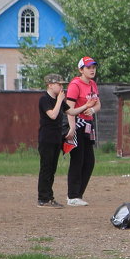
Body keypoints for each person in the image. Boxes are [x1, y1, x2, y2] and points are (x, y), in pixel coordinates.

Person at [64, 56, 100, 206]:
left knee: (89, 161)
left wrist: (92, 109)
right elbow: (69, 109)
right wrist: (71, 128)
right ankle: (72, 196)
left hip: (88, 125)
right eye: (88, 67)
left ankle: (78, 194)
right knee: (78, 160)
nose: (92, 70)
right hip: (77, 124)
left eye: (93, 67)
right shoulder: (75, 84)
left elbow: (98, 105)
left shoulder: (93, 84)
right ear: (81, 70)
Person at [36, 73, 68, 208]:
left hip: (56, 139)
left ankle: (49, 196)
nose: (61, 87)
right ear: (50, 85)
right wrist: (60, 100)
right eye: (59, 84)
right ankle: (43, 198)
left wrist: (86, 107)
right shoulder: (44, 100)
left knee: (52, 169)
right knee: (46, 168)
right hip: (47, 139)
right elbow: (53, 115)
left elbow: (71, 112)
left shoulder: (58, 100)